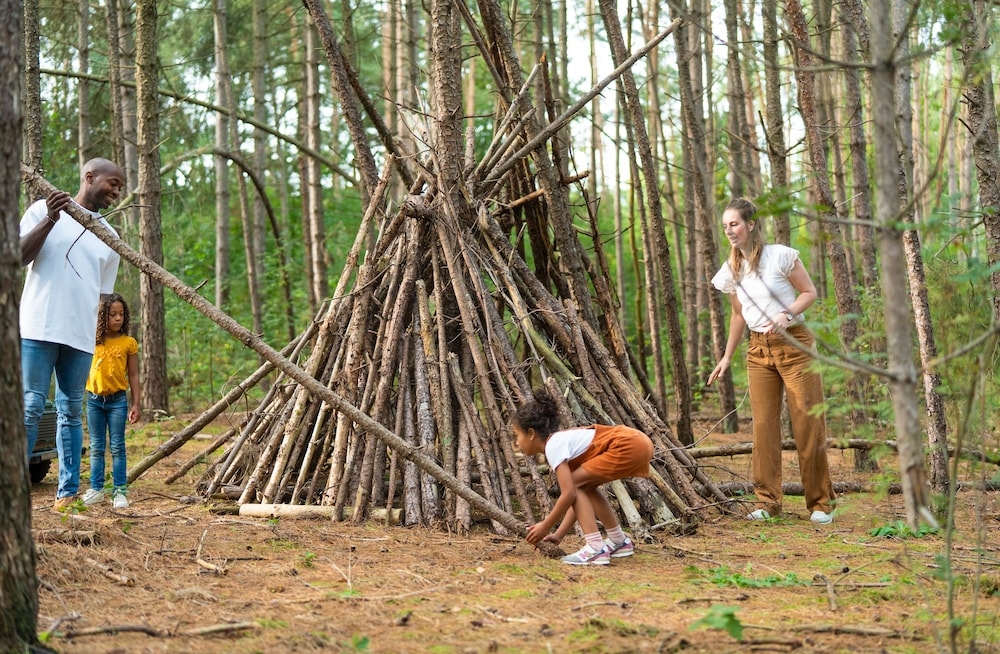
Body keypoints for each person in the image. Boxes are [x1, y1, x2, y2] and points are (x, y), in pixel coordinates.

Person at [707, 197, 836, 525]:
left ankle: (820, 503)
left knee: (807, 424)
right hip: (758, 352)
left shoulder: (780, 256)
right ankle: (767, 502)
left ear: (751, 224)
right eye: (725, 226)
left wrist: (786, 313)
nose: (729, 231)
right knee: (763, 427)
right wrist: (726, 357)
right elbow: (738, 315)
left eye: (734, 224)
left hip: (794, 346)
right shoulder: (732, 268)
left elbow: (809, 292)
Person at [20, 158, 125, 513]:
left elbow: (101, 297)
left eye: (120, 187)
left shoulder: (110, 238)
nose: (116, 191)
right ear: (89, 176)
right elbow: (18, 256)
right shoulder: (42, 210)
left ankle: (66, 494)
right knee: (31, 405)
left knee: (70, 412)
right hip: (37, 327)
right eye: (113, 183)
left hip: (79, 338)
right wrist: (51, 218)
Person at [512, 389, 655, 565]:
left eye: (517, 435)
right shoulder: (559, 442)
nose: (516, 442)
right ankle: (618, 541)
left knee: (576, 486)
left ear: (532, 434)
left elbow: (569, 493)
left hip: (627, 444)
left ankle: (595, 547)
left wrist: (546, 525)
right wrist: (558, 535)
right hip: (638, 441)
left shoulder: (553, 445)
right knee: (585, 487)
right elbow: (576, 497)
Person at [82, 293, 141, 510]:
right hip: (94, 401)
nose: (118, 318)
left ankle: (119, 492)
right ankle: (96, 490)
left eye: (121, 314)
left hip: (118, 402)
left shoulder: (129, 343)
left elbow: (133, 375)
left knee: (117, 447)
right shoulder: (92, 341)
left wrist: (136, 403)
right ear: (102, 316)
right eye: (112, 314)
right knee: (96, 447)